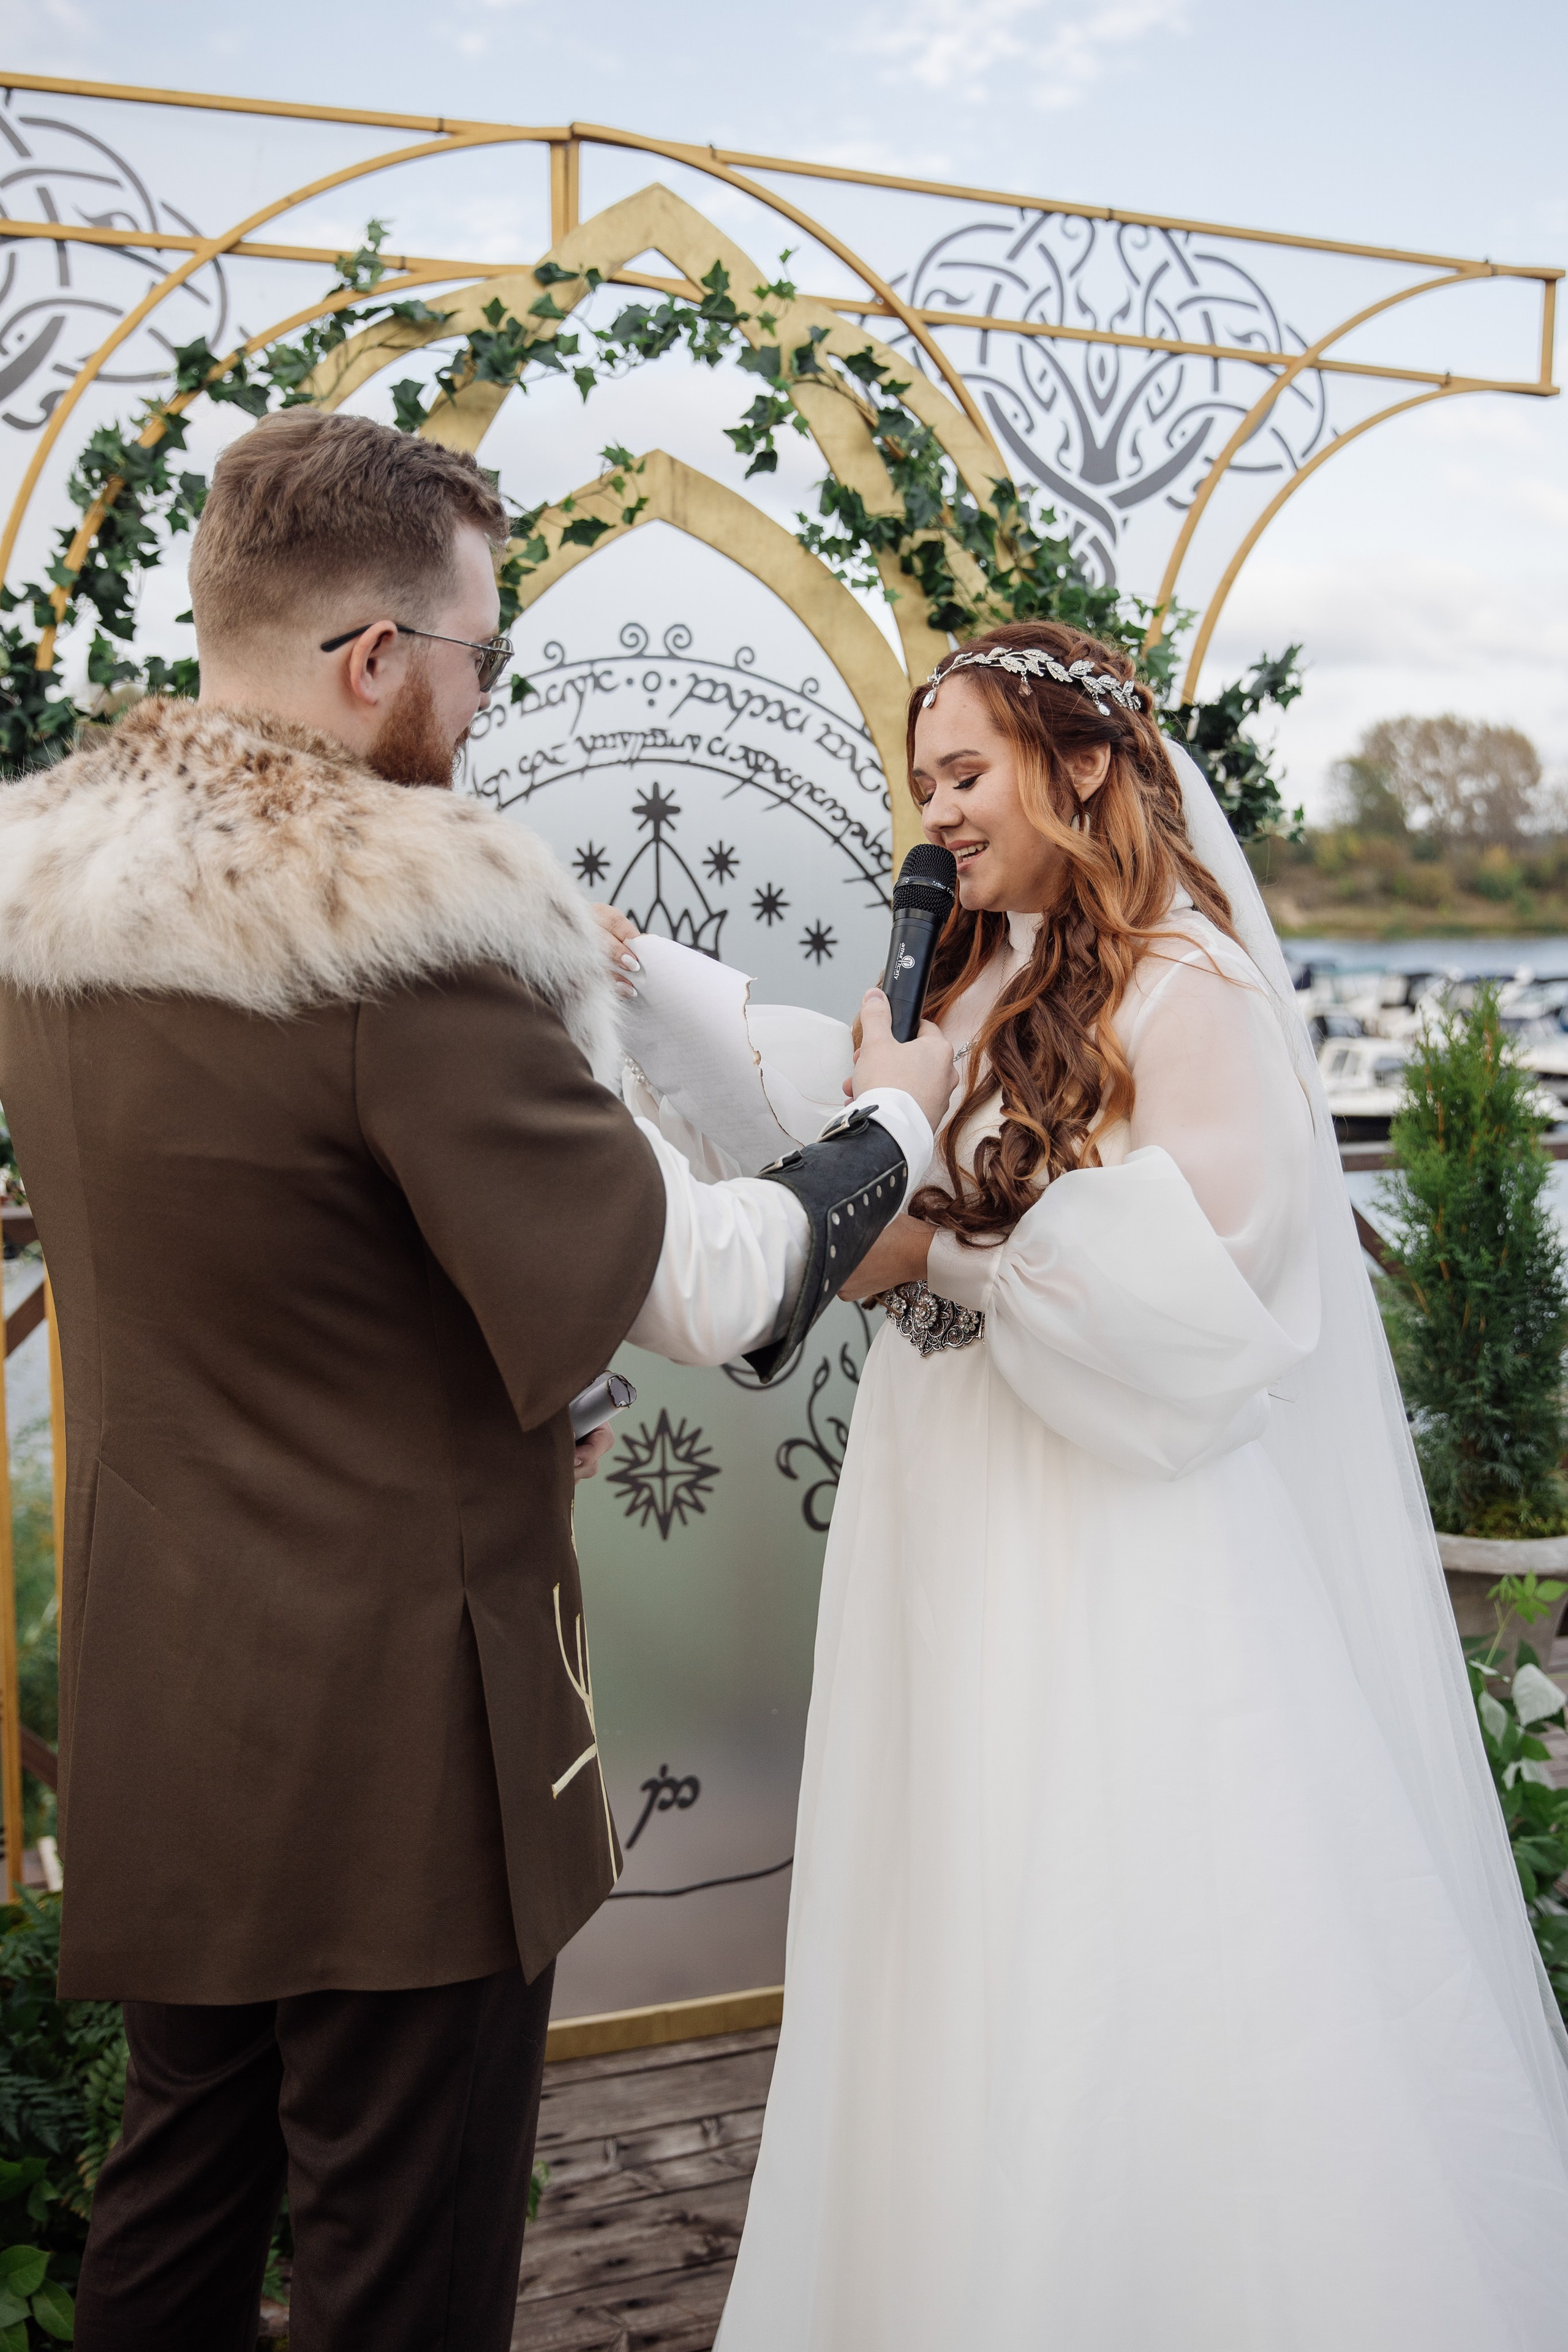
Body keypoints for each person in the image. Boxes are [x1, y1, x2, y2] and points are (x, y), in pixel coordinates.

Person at [0, 406, 952, 2352]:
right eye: (481, 654)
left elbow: (289, 1269)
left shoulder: (49, 931)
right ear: (373, 661)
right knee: (400, 2266)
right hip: (397, 1746)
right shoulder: (414, 948)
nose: (486, 697)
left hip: (171, 1691)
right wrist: (892, 1130)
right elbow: (711, 1291)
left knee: (176, 2212)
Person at [608, 620, 1568, 2350]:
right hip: (950, 1506)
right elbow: (868, 1097)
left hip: (1108, 1525)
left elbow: (1216, 1275)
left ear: (1091, 769)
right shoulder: (984, 975)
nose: (936, 819)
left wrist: (940, 1257)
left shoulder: (1189, 983)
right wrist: (635, 975)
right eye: (924, 786)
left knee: (1114, 1897)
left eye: (964, 775)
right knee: (958, 1887)